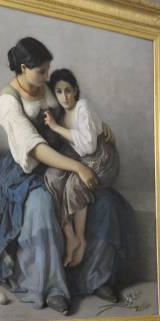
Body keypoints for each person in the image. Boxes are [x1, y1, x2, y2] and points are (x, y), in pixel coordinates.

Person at [0, 37, 134, 314]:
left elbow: (71, 110)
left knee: (103, 201)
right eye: (42, 71)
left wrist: (98, 126)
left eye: (48, 70)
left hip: (65, 159)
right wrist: (78, 167)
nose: (48, 77)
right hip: (28, 170)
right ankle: (50, 286)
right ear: (23, 68)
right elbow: (35, 149)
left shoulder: (44, 86)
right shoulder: (8, 102)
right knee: (41, 206)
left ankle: (95, 277)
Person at [43, 69, 120, 267]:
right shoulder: (59, 115)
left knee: (74, 184)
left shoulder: (82, 106)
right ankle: (71, 237)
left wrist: (56, 128)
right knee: (52, 177)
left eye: (68, 90)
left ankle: (80, 240)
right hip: (85, 159)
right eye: (59, 92)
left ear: (76, 91)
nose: (64, 96)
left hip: (103, 161)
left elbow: (88, 146)